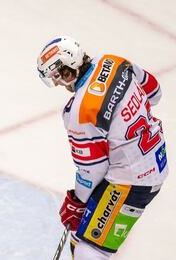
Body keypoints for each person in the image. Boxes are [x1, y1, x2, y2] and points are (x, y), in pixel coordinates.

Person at [36, 36, 168, 259]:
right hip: (154, 160)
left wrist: (77, 201)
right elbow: (154, 93)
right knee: (79, 234)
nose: (58, 83)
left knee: (89, 250)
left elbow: (92, 170)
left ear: (70, 68)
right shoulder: (114, 62)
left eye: (58, 76)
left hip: (131, 181)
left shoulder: (81, 111)